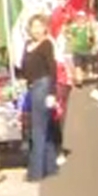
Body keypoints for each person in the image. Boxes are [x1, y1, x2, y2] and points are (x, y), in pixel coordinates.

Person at [19, 14, 60, 182]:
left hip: (43, 86)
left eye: (39, 26)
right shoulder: (28, 45)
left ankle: (35, 171)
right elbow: (24, 67)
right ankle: (50, 166)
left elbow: (52, 69)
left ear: (45, 28)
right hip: (31, 86)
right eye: (33, 26)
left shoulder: (46, 44)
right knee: (45, 128)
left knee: (38, 128)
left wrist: (52, 93)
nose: (35, 30)